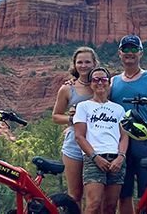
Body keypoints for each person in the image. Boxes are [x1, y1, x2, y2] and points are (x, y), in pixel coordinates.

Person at [109, 35, 147, 214]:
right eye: (126, 49)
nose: (130, 53)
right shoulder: (113, 81)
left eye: (134, 49)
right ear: (120, 53)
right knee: (124, 192)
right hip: (121, 144)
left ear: (141, 53)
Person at [73, 67, 128, 214]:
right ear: (91, 84)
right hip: (94, 158)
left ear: (109, 83)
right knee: (93, 204)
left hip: (116, 159)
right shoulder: (83, 107)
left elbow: (124, 136)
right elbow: (79, 136)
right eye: (96, 80)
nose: (100, 83)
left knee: (110, 206)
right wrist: (95, 157)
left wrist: (121, 157)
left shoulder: (118, 109)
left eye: (103, 79)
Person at [52, 46, 99, 208]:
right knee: (75, 195)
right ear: (74, 64)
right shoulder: (67, 89)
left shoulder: (102, 86)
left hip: (98, 143)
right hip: (74, 143)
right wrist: (73, 119)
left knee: (94, 196)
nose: (83, 65)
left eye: (87, 62)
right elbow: (56, 116)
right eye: (80, 62)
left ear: (94, 64)